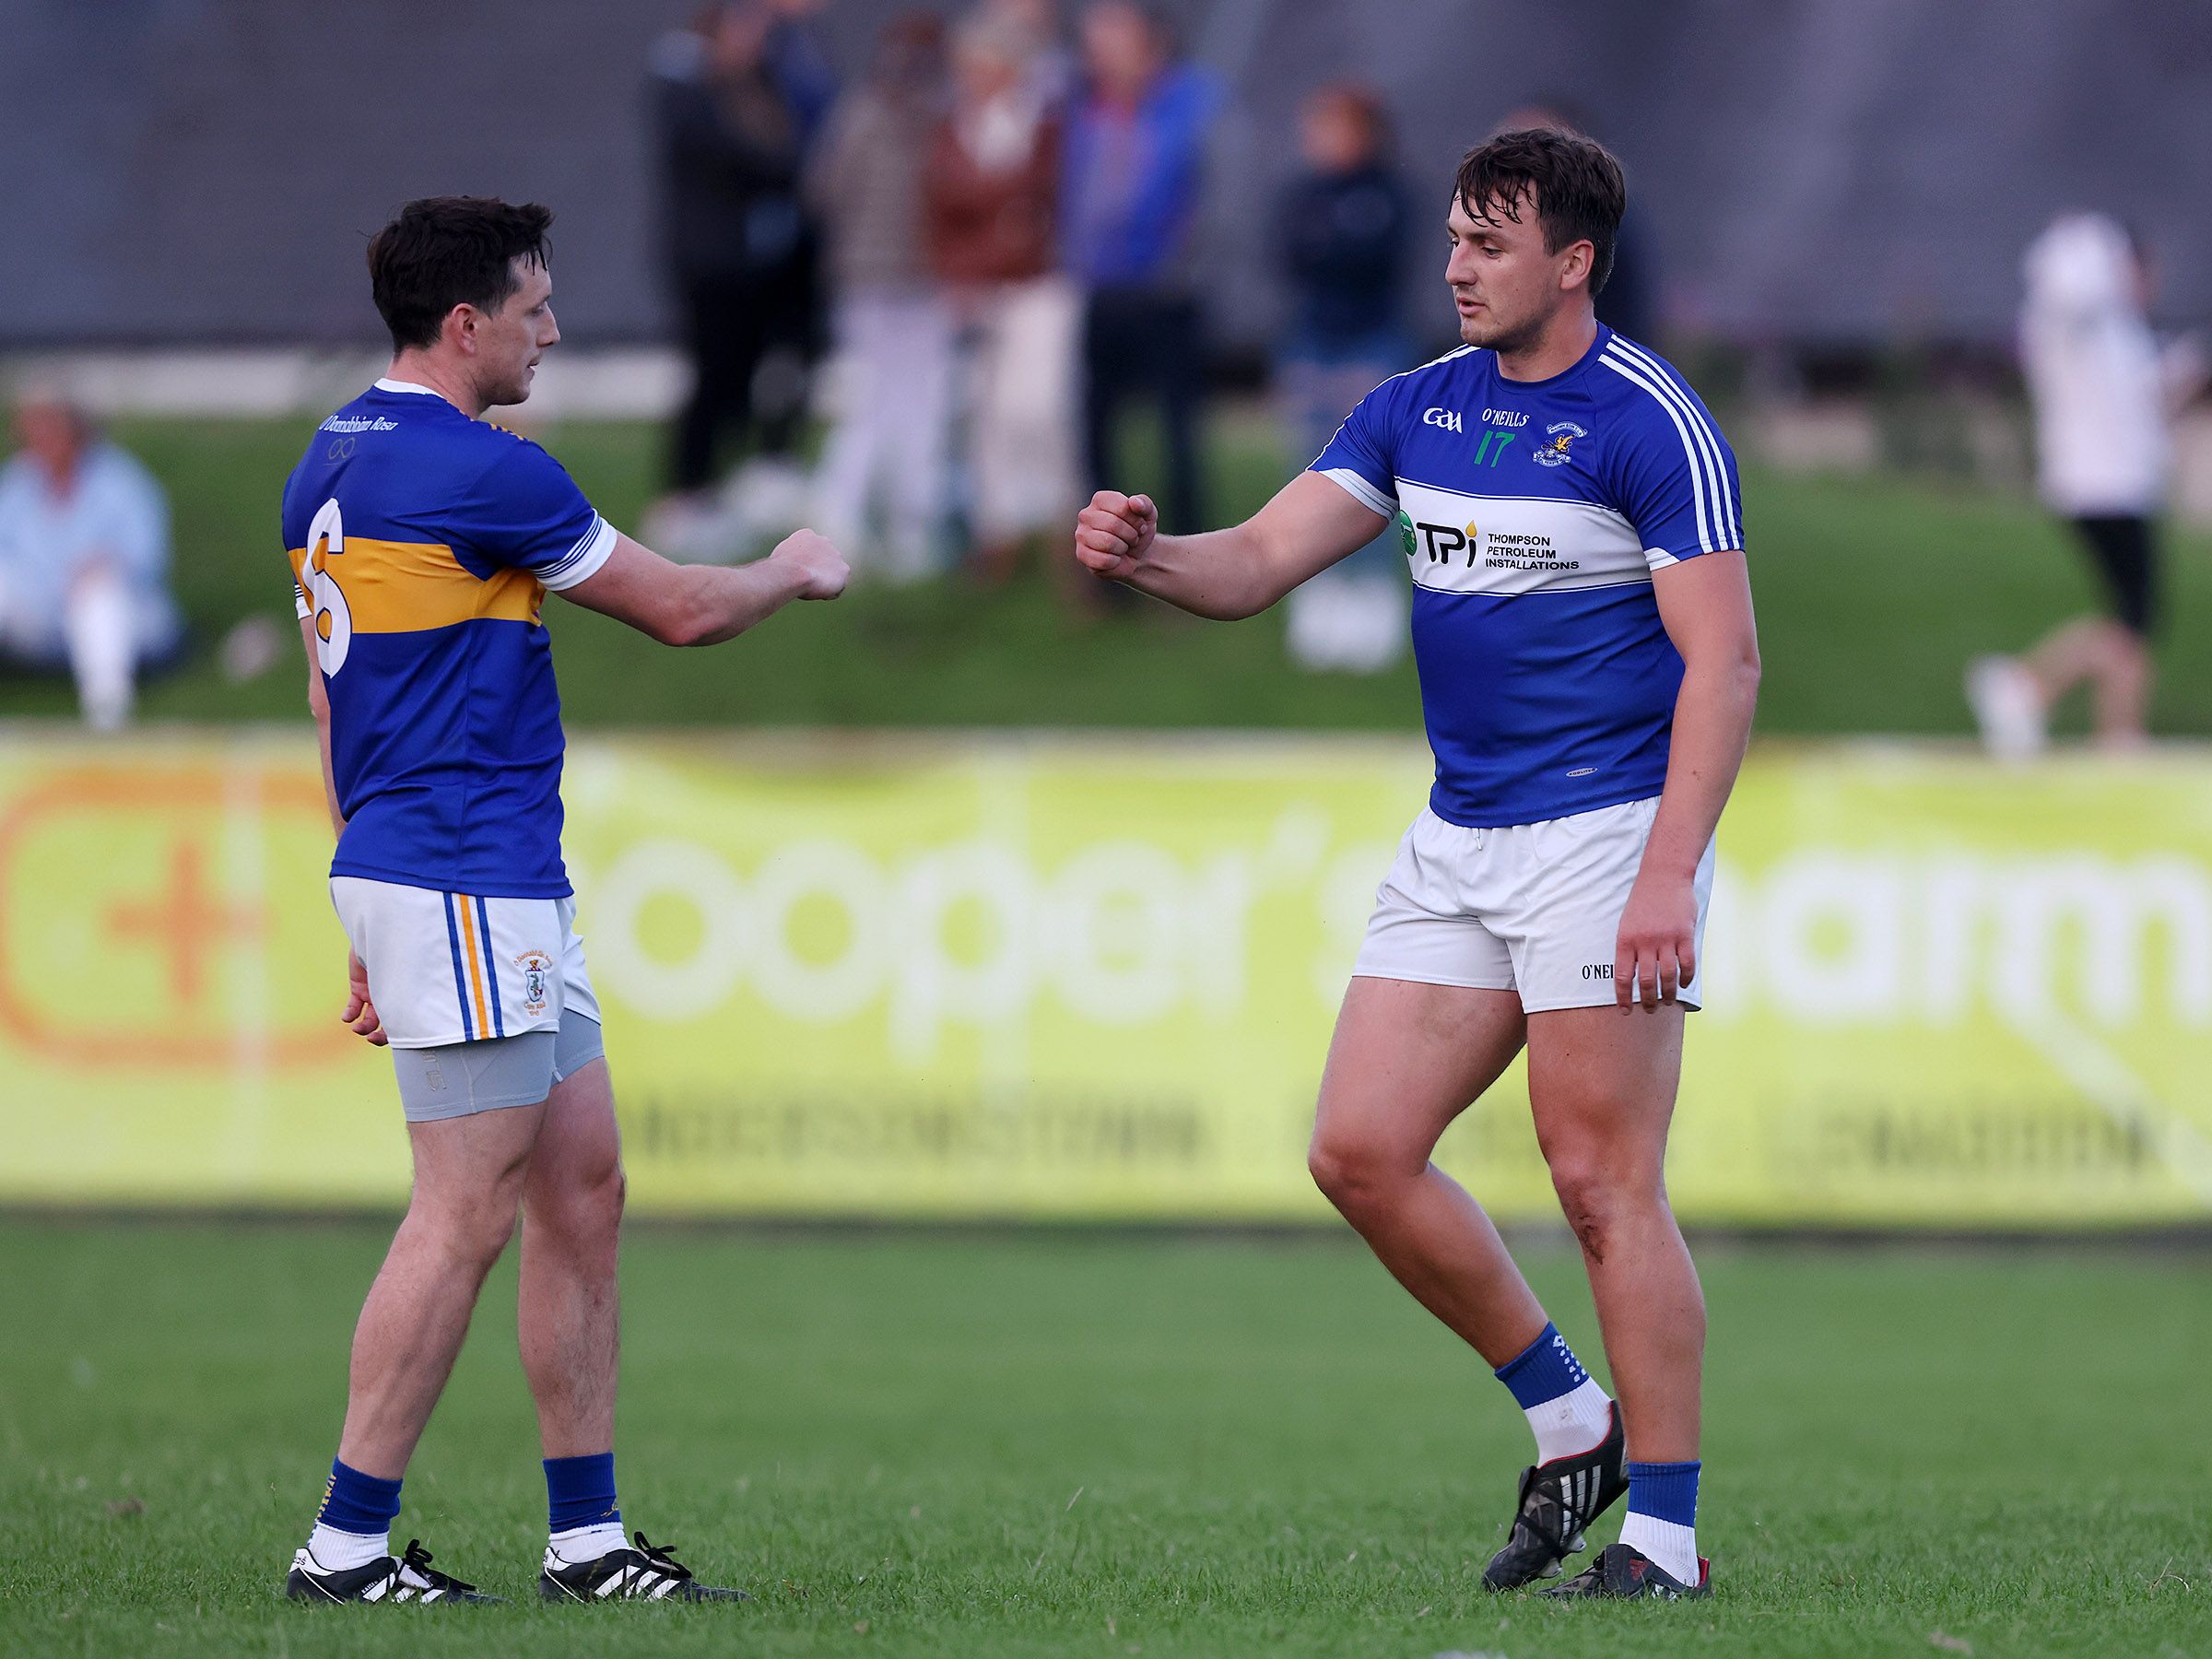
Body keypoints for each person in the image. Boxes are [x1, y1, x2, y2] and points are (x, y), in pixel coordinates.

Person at [1074, 128, 1757, 1602]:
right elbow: (1254, 565)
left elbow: (1729, 666)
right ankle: (1573, 1420)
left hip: (1606, 832)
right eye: (1452, 237)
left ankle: (1667, 1540)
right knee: (1359, 1151)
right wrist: (1147, 552)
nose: (1454, 264)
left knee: (1601, 1184)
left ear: (1572, 263)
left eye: (1489, 244)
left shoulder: (1647, 421)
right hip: (1462, 837)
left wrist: (1665, 876)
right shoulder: (1414, 409)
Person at [280, 196, 848, 1606]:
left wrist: (362, 892)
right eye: (535, 306)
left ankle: (586, 1544)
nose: (552, 329)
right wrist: (790, 567)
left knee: (581, 1187)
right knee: (462, 1214)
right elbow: (683, 610)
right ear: (465, 324)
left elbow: (328, 694)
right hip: (466, 873)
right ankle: (343, 1549)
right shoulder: (487, 469)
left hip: (454, 872)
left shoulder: (332, 458)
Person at [1967, 213, 2206, 757]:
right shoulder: (2074, 320)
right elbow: (2063, 280)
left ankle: (2116, 732)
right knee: (2134, 617)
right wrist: (2095, 239)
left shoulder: (2124, 336)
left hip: (2125, 486)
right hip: (2098, 487)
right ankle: (2025, 685)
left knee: (2134, 616)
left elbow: (2142, 411)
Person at [646, 3, 820, 555]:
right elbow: (744, 159)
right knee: (710, 377)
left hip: (753, 265)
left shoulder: (763, 87)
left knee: (742, 378)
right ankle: (682, 492)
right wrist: (793, 167)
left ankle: (716, 491)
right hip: (708, 263)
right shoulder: (689, 92)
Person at [926, 7, 1080, 586]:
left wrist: (985, 204)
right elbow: (943, 205)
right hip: (978, 291)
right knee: (985, 416)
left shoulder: (1045, 124)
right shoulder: (955, 125)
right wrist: (996, 219)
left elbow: (1036, 196)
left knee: (1037, 409)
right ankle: (1001, 535)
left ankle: (1068, 528)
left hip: (1038, 288)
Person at [1063, 2, 1221, 535]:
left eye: (1111, 37)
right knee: (1094, 428)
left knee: (1177, 431)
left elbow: (1219, 197)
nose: (1099, 51)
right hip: (1099, 289)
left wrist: (1184, 269)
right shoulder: (1086, 107)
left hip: (1166, 292)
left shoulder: (1194, 103)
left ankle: (1188, 550)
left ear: (1150, 42)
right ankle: (1106, 560)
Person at [808, 12, 956, 582]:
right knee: (906, 404)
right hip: (906, 280)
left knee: (886, 403)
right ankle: (883, 523)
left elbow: (822, 190)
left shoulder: (859, 115)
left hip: (879, 279)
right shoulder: (938, 120)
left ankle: (863, 519)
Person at [1273, 84, 1416, 673]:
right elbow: (1291, 256)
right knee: (1311, 469)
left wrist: (1338, 252)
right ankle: (1315, 598)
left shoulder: (1390, 195)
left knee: (1376, 475)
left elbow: (1378, 262)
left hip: (1372, 341)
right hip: (1313, 341)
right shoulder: (1302, 194)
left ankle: (1373, 605)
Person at [0, 391, 182, 729]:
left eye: (50, 428)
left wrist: (102, 565)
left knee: (98, 589)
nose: (41, 439)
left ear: (75, 431)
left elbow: (148, 559)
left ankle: (107, 713)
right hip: (40, 616)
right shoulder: (17, 481)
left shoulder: (121, 481)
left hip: (121, 615)